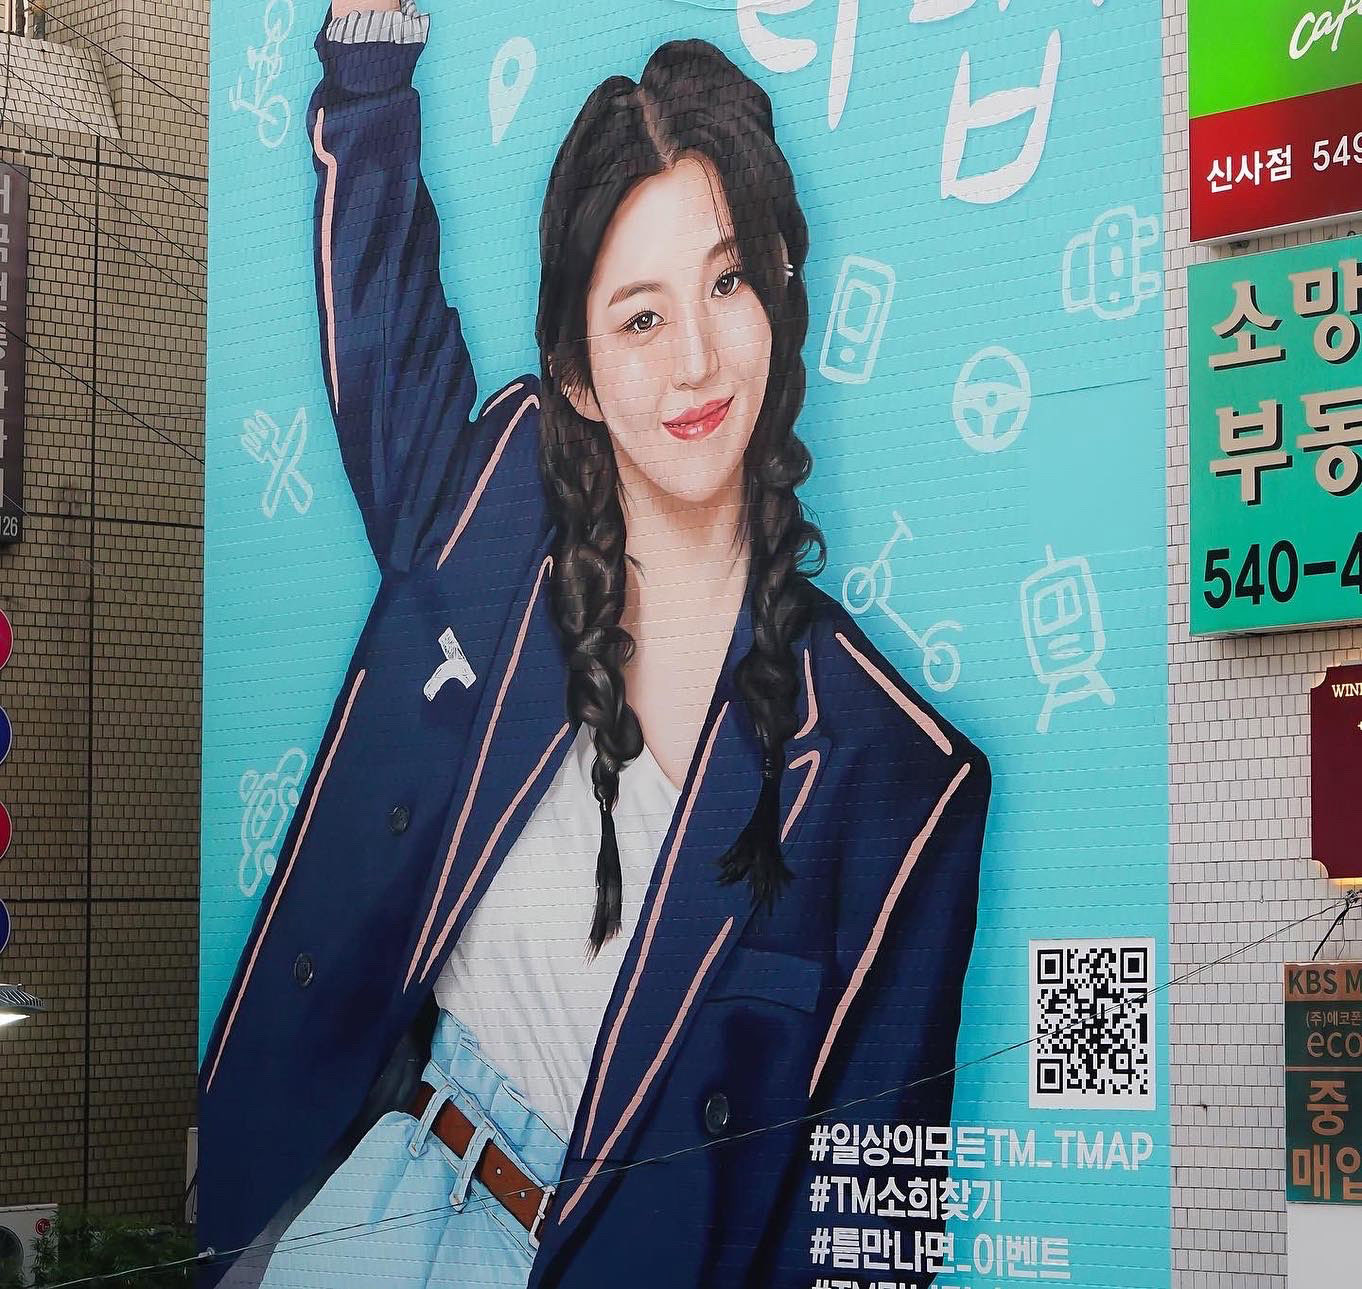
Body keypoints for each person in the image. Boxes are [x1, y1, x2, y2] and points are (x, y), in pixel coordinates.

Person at [198, 3, 992, 1286]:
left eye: (727, 282)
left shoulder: (895, 783)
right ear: (575, 370)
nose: (697, 361)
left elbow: (861, 1227)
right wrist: (370, 53)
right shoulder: (498, 504)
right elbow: (383, 319)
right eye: (639, 318)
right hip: (379, 1198)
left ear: (783, 289)